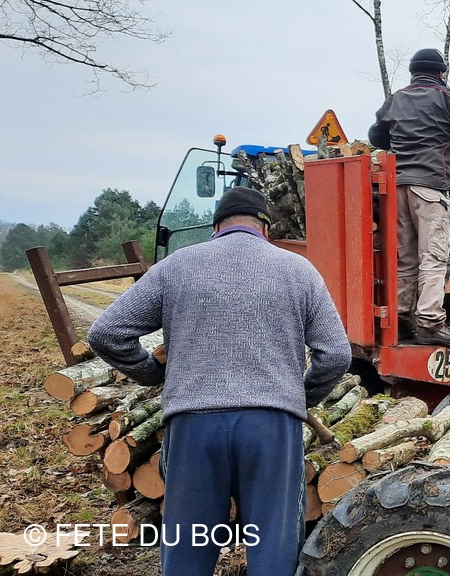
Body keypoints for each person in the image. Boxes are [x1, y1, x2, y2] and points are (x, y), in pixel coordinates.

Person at [87, 187, 352, 576]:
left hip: (193, 426)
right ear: (265, 226)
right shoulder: (298, 270)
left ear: (216, 227)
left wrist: (154, 374)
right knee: (273, 551)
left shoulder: (177, 265)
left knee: (188, 551)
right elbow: (337, 354)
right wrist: (300, 397)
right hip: (270, 428)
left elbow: (106, 333)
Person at [369, 47, 450, 346]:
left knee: (405, 257)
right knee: (433, 256)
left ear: (413, 73)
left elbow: (376, 137)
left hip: (397, 186)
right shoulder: (448, 97)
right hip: (431, 185)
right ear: (441, 72)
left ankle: (402, 321)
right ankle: (430, 323)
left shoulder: (395, 99)